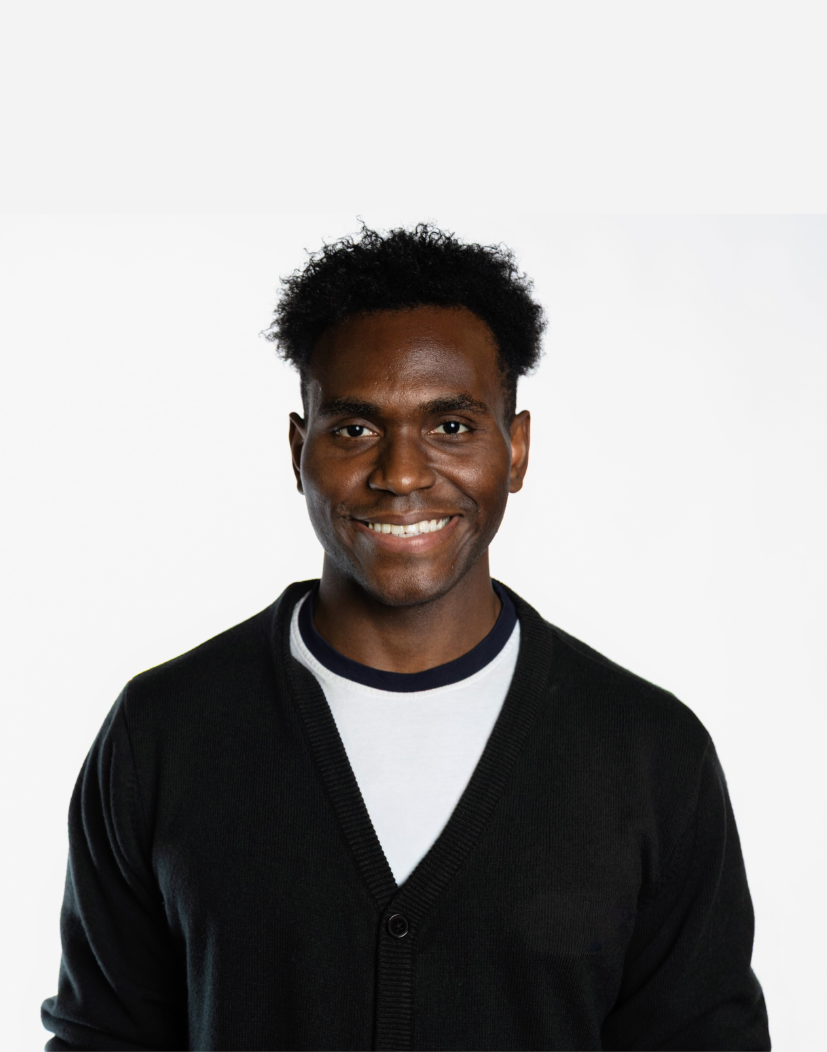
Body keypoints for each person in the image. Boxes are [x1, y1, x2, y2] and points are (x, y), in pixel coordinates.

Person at [41, 226, 770, 1050]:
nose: (402, 473)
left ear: (516, 447)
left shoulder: (649, 752)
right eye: (354, 430)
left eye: (451, 426)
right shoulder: (163, 731)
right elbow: (101, 1035)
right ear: (297, 448)